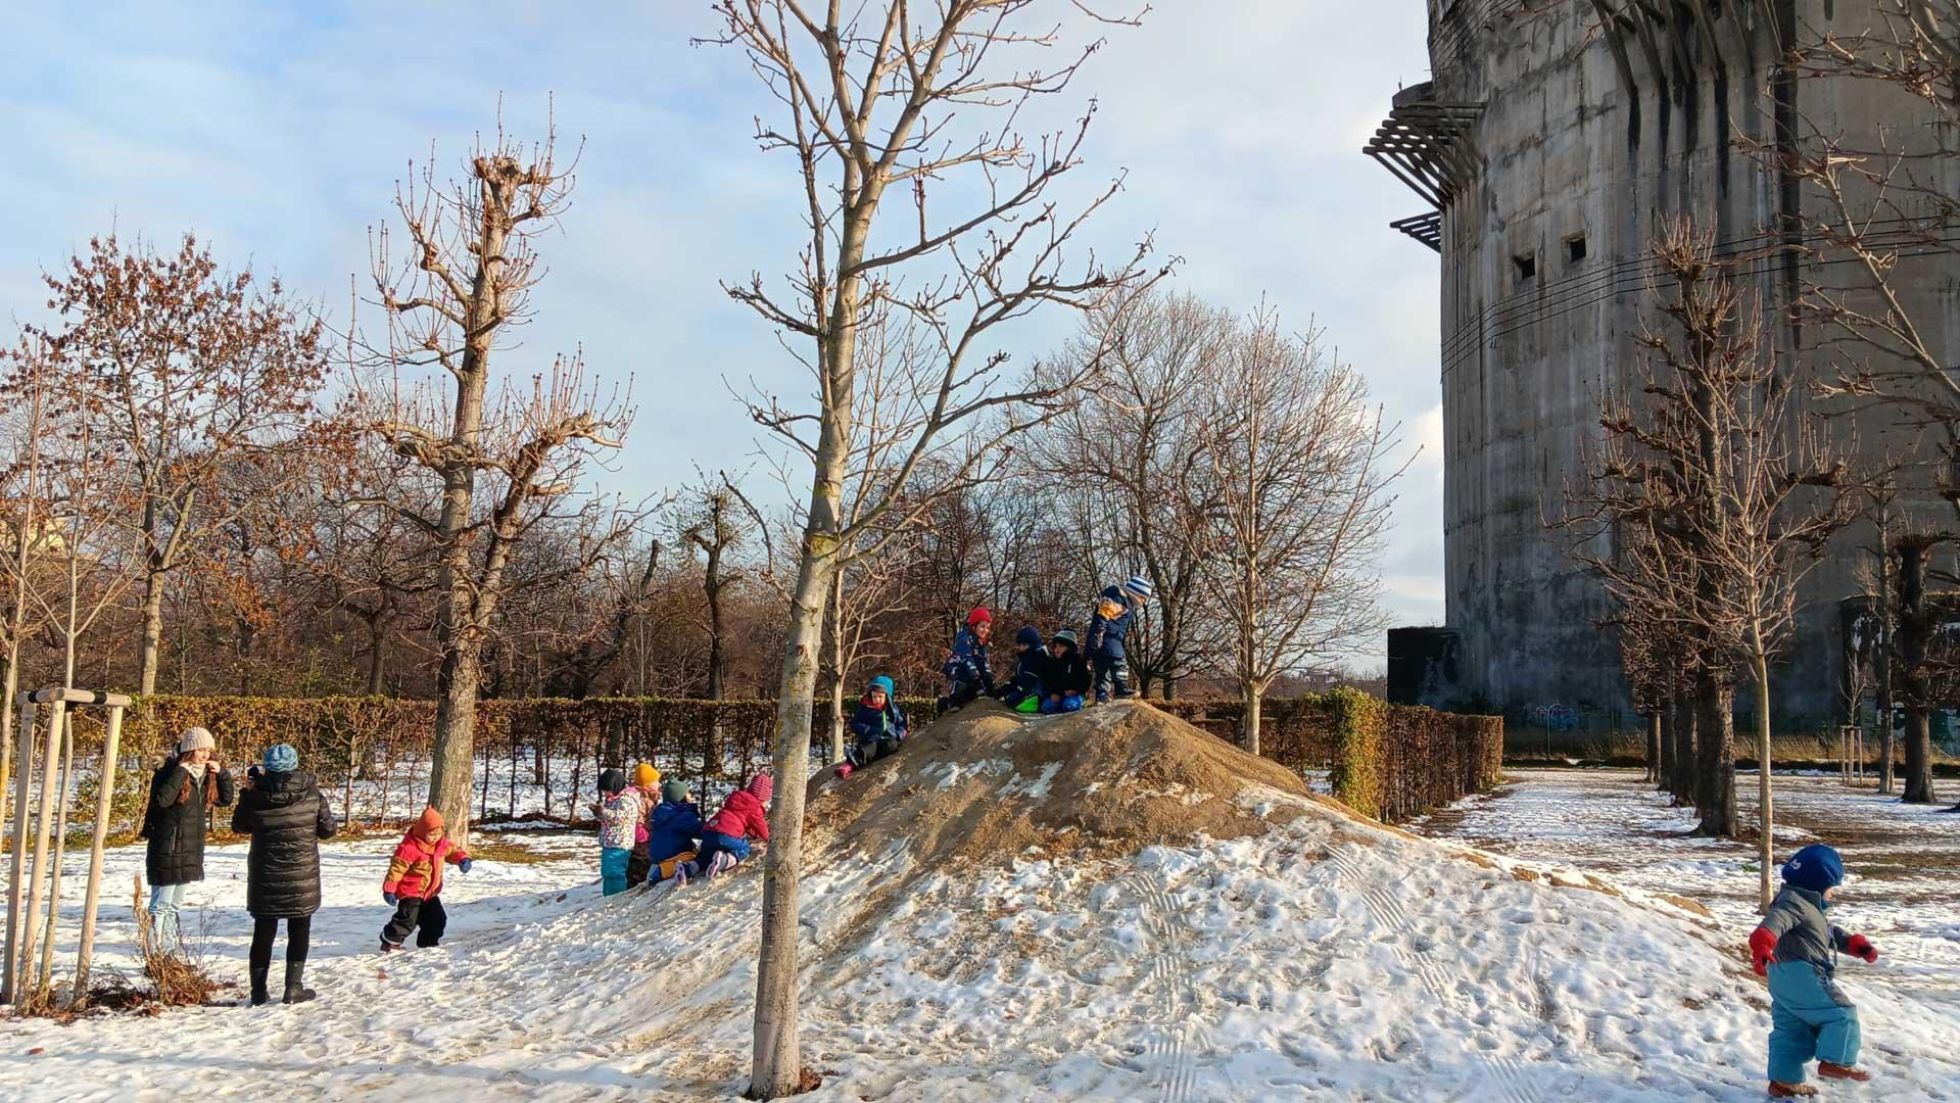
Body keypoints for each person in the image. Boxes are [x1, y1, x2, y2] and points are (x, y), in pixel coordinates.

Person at [1749, 844, 1880, 1097]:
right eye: (1832, 887)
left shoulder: (1804, 904)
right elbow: (1772, 925)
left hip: (1781, 976)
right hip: (1802, 973)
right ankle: (1836, 1060)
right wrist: (1762, 945)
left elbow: (1827, 934)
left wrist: (1854, 944)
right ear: (1819, 883)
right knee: (1841, 1013)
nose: (1832, 893)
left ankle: (1783, 1081)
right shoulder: (1795, 904)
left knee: (1791, 1030)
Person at [232, 743, 338, 1006]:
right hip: (302, 874)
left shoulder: (256, 797)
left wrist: (246, 793)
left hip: (265, 874)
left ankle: (258, 992)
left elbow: (239, 826)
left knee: (263, 931)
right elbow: (328, 830)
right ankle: (293, 987)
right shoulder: (312, 794)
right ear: (295, 766)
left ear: (266, 768)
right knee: (299, 928)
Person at [141, 727, 236, 953]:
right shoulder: (169, 771)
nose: (204, 755)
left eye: (207, 750)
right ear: (188, 750)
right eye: (199, 750)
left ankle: (172, 950)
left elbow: (226, 799)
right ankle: (155, 951)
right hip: (168, 845)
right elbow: (161, 801)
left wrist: (222, 774)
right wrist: (180, 772)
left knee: (174, 905)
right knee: (160, 904)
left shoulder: (206, 775)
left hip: (191, 847)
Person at [379, 806, 473, 953]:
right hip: (411, 892)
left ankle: (428, 944)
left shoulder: (441, 845)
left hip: (430, 893)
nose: (435, 837)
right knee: (407, 920)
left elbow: (454, 851)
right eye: (431, 834)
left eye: (438, 833)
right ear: (422, 832)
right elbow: (396, 870)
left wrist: (463, 859)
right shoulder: (409, 848)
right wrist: (389, 889)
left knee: (437, 919)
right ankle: (390, 941)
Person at [673, 773, 772, 885]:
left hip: (709, 831)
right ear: (763, 797)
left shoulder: (736, 799)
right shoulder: (755, 807)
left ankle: (687, 868)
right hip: (726, 834)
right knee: (744, 848)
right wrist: (769, 837)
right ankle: (724, 861)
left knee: (705, 857)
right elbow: (760, 825)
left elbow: (744, 821)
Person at [1085, 576, 1152, 703]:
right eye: (1143, 598)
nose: (1143, 602)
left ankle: (1102, 695)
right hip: (1108, 638)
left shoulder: (1126, 605)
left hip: (1111, 639)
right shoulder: (1117, 598)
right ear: (1136, 593)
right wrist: (1099, 633)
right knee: (1119, 663)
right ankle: (1121, 689)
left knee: (1103, 670)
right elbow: (1103, 615)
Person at [838, 676, 909, 779]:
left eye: (880, 697)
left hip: (886, 739)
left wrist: (900, 733)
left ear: (887, 697)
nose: (877, 700)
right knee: (868, 748)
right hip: (870, 738)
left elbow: (901, 723)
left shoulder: (893, 709)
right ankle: (849, 765)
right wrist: (867, 730)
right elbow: (855, 723)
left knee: (892, 745)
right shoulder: (866, 709)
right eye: (874, 696)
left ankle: (872, 758)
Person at [645, 778, 703, 884]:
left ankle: (660, 867)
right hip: (674, 854)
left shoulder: (662, 812)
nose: (690, 796)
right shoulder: (682, 816)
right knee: (694, 860)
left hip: (658, 856)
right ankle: (662, 871)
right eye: (688, 793)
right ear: (682, 797)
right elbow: (699, 830)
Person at [595, 768, 643, 896]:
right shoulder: (614, 799)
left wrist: (603, 812)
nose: (606, 793)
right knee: (607, 872)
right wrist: (599, 813)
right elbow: (609, 819)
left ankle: (615, 896)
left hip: (619, 842)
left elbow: (620, 817)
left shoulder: (626, 800)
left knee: (614, 873)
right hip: (610, 841)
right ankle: (608, 896)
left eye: (607, 790)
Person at [937, 606, 994, 713]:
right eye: (982, 627)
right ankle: (952, 700)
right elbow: (966, 658)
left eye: (987, 627)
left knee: (976, 689)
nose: (985, 630)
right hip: (958, 666)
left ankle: (967, 696)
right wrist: (975, 676)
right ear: (974, 626)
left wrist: (988, 679)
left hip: (972, 671)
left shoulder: (981, 643)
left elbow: (984, 661)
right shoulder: (964, 638)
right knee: (962, 678)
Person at [625, 762, 662, 887]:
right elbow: (637, 823)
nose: (659, 784)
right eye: (656, 782)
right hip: (640, 848)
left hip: (647, 846)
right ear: (647, 784)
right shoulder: (640, 799)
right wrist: (646, 837)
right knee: (638, 871)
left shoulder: (651, 797)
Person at [994, 627, 1046, 712]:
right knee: (1009, 698)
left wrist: (1015, 695)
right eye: (1019, 645)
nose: (1020, 648)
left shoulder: (1037, 658)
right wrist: (1005, 689)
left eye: (1024, 645)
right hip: (1027, 691)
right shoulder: (1025, 657)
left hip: (1036, 694)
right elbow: (1019, 679)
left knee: (1013, 702)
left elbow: (1028, 681)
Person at [1040, 629, 1091, 714]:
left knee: (1069, 706)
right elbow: (1047, 680)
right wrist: (1052, 693)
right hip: (1058, 694)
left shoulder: (1079, 661)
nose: (1057, 649)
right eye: (1056, 646)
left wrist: (1076, 690)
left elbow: (1086, 680)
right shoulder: (1052, 662)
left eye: (1061, 646)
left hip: (1075, 695)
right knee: (1046, 707)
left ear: (1070, 648)